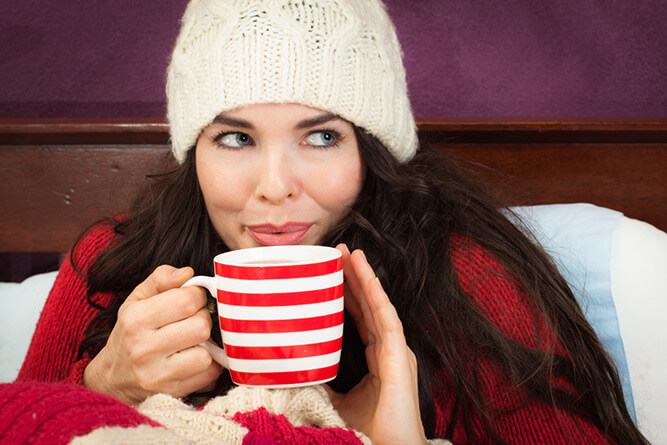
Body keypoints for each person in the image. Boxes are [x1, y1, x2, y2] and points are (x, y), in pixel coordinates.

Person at [15, 0, 647, 443]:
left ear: (371, 151)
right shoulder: (111, 262)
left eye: (319, 137)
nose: (274, 188)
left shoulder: (464, 279)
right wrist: (100, 387)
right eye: (236, 138)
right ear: (193, 151)